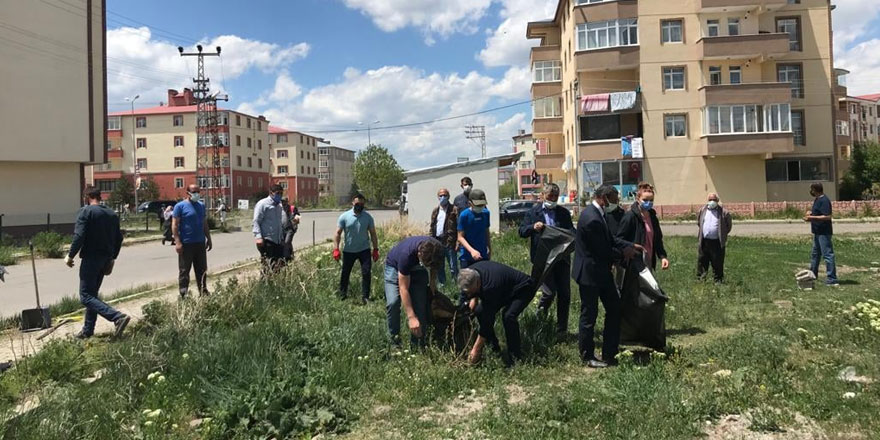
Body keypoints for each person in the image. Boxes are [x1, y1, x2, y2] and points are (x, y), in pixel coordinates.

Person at [572, 185, 641, 368]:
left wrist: (630, 245)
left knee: (614, 308)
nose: (617, 202)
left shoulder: (599, 213)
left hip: (601, 272)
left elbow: (610, 239)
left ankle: (610, 351)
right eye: (615, 198)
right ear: (604, 197)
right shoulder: (591, 218)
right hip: (590, 274)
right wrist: (622, 253)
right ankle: (588, 356)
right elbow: (602, 250)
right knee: (589, 316)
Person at [64, 186, 130, 339]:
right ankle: (87, 330)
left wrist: (70, 255)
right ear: (99, 197)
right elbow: (119, 239)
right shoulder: (112, 214)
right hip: (105, 259)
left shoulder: (86, 212)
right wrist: (113, 257)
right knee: (92, 295)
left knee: (86, 296)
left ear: (86, 197)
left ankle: (117, 317)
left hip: (91, 258)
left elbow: (79, 236)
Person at [519, 183, 574, 337]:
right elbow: (522, 231)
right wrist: (532, 227)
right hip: (543, 259)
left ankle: (561, 328)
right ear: (543, 196)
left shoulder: (563, 213)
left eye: (555, 197)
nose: (553, 199)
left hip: (561, 258)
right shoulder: (533, 212)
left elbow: (571, 231)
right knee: (549, 293)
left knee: (564, 293)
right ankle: (540, 320)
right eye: (550, 196)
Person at [459, 261, 536, 365]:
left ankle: (515, 357)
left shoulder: (490, 287)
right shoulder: (469, 273)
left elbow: (488, 321)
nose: (468, 294)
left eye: (470, 291)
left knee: (508, 316)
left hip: (523, 288)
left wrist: (476, 349)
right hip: (503, 289)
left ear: (478, 283)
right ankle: (494, 347)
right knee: (479, 311)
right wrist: (471, 301)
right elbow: (467, 296)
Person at [383, 236, 445, 348]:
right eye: (426, 264)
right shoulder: (406, 255)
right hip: (395, 267)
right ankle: (394, 342)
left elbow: (434, 265)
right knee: (393, 302)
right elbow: (403, 288)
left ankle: (417, 344)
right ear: (420, 254)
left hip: (418, 269)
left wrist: (432, 282)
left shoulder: (437, 248)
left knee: (420, 303)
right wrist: (411, 317)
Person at [334, 193, 380, 304]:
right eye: (357, 203)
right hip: (349, 250)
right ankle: (343, 295)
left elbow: (373, 234)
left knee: (366, 272)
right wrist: (336, 249)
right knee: (345, 273)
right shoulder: (344, 217)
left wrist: (375, 249)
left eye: (362, 203)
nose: (360, 205)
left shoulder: (368, 217)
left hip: (364, 250)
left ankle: (365, 297)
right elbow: (337, 233)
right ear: (353, 203)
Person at [617, 183, 669, 271]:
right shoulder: (630, 217)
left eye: (651, 200)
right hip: (633, 263)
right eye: (645, 200)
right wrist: (630, 247)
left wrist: (662, 257)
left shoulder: (652, 217)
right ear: (638, 199)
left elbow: (657, 239)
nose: (648, 203)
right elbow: (619, 239)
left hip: (648, 261)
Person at [172, 184, 212, 298]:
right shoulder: (180, 206)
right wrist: (178, 242)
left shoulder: (201, 206)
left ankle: (203, 291)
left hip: (199, 243)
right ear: (188, 193)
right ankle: (183, 294)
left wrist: (208, 238)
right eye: (194, 192)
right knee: (184, 270)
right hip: (186, 244)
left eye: (198, 191)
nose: (196, 194)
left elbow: (204, 223)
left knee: (202, 269)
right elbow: (174, 225)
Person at [457, 188, 491, 305]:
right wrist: (472, 251)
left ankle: (476, 313)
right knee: (466, 289)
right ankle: (460, 316)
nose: (480, 207)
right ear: (469, 203)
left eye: (482, 205)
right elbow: (460, 237)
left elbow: (486, 232)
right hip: (467, 257)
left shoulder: (486, 213)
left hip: (482, 256)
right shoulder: (464, 215)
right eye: (478, 205)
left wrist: (489, 248)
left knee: (482, 287)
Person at [804, 182, 838, 286]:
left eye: (812, 189)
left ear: (815, 189)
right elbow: (818, 214)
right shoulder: (817, 200)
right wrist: (810, 214)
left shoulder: (824, 200)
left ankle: (832, 279)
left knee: (827, 254)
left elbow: (827, 216)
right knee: (815, 254)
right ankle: (813, 274)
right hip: (817, 231)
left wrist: (812, 218)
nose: (811, 191)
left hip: (824, 232)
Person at [697, 193, 733, 283]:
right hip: (704, 242)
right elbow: (699, 223)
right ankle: (701, 280)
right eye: (710, 200)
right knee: (702, 261)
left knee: (717, 263)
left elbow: (728, 226)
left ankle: (718, 281)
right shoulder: (702, 210)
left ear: (717, 201)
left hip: (717, 242)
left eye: (714, 200)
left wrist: (722, 234)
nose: (712, 202)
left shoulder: (724, 212)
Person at [253, 185, 286, 275]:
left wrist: (282, 238)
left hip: (278, 240)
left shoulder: (279, 206)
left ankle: (276, 286)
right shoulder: (262, 204)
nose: (280, 195)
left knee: (279, 266)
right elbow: (256, 221)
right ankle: (265, 285)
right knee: (267, 267)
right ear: (271, 193)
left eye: (281, 193)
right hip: (267, 240)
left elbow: (279, 223)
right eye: (277, 193)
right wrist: (258, 237)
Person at [429, 187, 458, 286]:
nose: (443, 197)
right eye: (441, 195)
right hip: (437, 241)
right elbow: (432, 226)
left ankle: (456, 285)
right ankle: (442, 285)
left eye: (445, 195)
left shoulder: (454, 210)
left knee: (453, 266)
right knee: (440, 265)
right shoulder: (435, 211)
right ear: (438, 197)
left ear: (449, 196)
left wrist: (458, 241)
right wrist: (430, 240)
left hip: (449, 242)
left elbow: (459, 226)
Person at [281, 198, 301, 262]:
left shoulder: (292, 208)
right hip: (281, 229)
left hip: (290, 229)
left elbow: (297, 216)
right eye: (282, 201)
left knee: (287, 242)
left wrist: (296, 220)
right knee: (285, 243)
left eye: (284, 201)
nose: (283, 203)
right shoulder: (278, 209)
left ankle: (287, 258)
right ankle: (290, 255)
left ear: (287, 201)